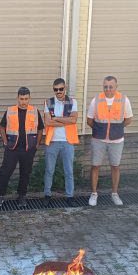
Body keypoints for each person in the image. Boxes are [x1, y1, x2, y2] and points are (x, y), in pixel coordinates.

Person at [86, 76, 134, 206]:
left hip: (117, 140)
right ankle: (94, 194)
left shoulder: (124, 100)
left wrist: (116, 129)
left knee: (115, 166)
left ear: (116, 87)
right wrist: (100, 130)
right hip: (98, 140)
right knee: (95, 166)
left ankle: (114, 194)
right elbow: (89, 120)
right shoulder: (96, 100)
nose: (108, 89)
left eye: (110, 86)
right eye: (105, 86)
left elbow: (128, 119)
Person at [0, 87, 44, 208]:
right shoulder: (10, 111)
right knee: (5, 172)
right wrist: (5, 141)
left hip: (28, 149)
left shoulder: (34, 111)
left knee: (25, 174)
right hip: (12, 148)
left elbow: (40, 128)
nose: (24, 101)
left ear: (29, 98)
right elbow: (2, 127)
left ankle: (22, 196)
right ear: (17, 98)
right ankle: (0, 196)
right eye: (21, 99)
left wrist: (37, 144)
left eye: (26, 99)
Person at [43, 78, 79, 206]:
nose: (58, 92)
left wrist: (56, 118)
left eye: (61, 89)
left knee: (69, 171)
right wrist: (66, 120)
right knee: (49, 170)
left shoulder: (73, 102)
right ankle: (47, 195)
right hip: (52, 141)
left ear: (65, 88)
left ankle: (70, 196)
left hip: (68, 141)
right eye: (56, 89)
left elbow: (73, 120)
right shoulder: (48, 102)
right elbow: (48, 122)